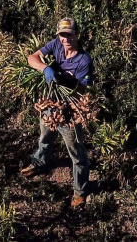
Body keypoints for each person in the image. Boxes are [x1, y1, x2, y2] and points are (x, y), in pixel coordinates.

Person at [20, 17, 93, 207]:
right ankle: (39, 162)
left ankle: (80, 191)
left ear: (77, 34)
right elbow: (31, 58)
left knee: (76, 151)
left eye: (69, 34)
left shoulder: (84, 60)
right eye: (62, 35)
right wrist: (45, 68)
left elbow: (81, 91)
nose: (65, 39)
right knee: (45, 135)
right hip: (50, 105)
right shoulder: (56, 45)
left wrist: (63, 81)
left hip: (68, 112)